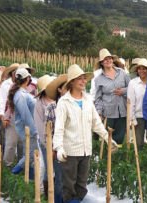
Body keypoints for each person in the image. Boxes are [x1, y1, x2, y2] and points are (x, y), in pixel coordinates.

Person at [53, 64, 118, 202]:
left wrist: (108, 138)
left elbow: (96, 123)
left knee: (81, 186)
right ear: (72, 82)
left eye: (84, 78)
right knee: (69, 186)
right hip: (70, 151)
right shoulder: (64, 102)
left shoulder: (88, 100)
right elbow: (59, 128)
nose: (83, 81)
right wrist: (59, 148)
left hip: (86, 150)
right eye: (80, 79)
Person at [8, 67, 39, 177]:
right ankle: (13, 173)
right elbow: (26, 115)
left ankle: (30, 176)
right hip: (27, 128)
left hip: (28, 127)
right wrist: (34, 130)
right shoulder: (20, 95)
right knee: (30, 154)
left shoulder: (22, 92)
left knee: (31, 153)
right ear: (27, 79)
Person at [95, 48, 131, 145]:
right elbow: (98, 98)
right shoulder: (99, 79)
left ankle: (116, 158)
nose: (108, 61)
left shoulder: (122, 73)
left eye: (109, 58)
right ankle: (107, 157)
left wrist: (123, 91)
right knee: (108, 138)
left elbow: (131, 88)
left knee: (119, 137)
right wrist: (99, 113)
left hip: (122, 111)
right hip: (108, 113)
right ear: (102, 63)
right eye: (105, 59)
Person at [44, 74, 68, 203]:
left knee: (71, 182)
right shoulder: (52, 107)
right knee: (59, 180)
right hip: (58, 149)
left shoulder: (75, 105)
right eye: (66, 87)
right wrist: (52, 149)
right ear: (59, 90)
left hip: (74, 148)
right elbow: (48, 132)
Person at [33, 74, 55, 196]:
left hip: (58, 141)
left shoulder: (58, 99)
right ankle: (47, 192)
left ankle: (54, 191)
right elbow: (40, 126)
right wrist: (48, 144)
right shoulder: (39, 104)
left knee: (57, 168)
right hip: (45, 141)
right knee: (48, 167)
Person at [127, 58, 147, 149]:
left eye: (144, 68)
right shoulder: (133, 83)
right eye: (139, 68)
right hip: (138, 115)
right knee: (139, 142)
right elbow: (131, 101)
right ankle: (138, 160)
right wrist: (132, 118)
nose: (142, 71)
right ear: (137, 70)